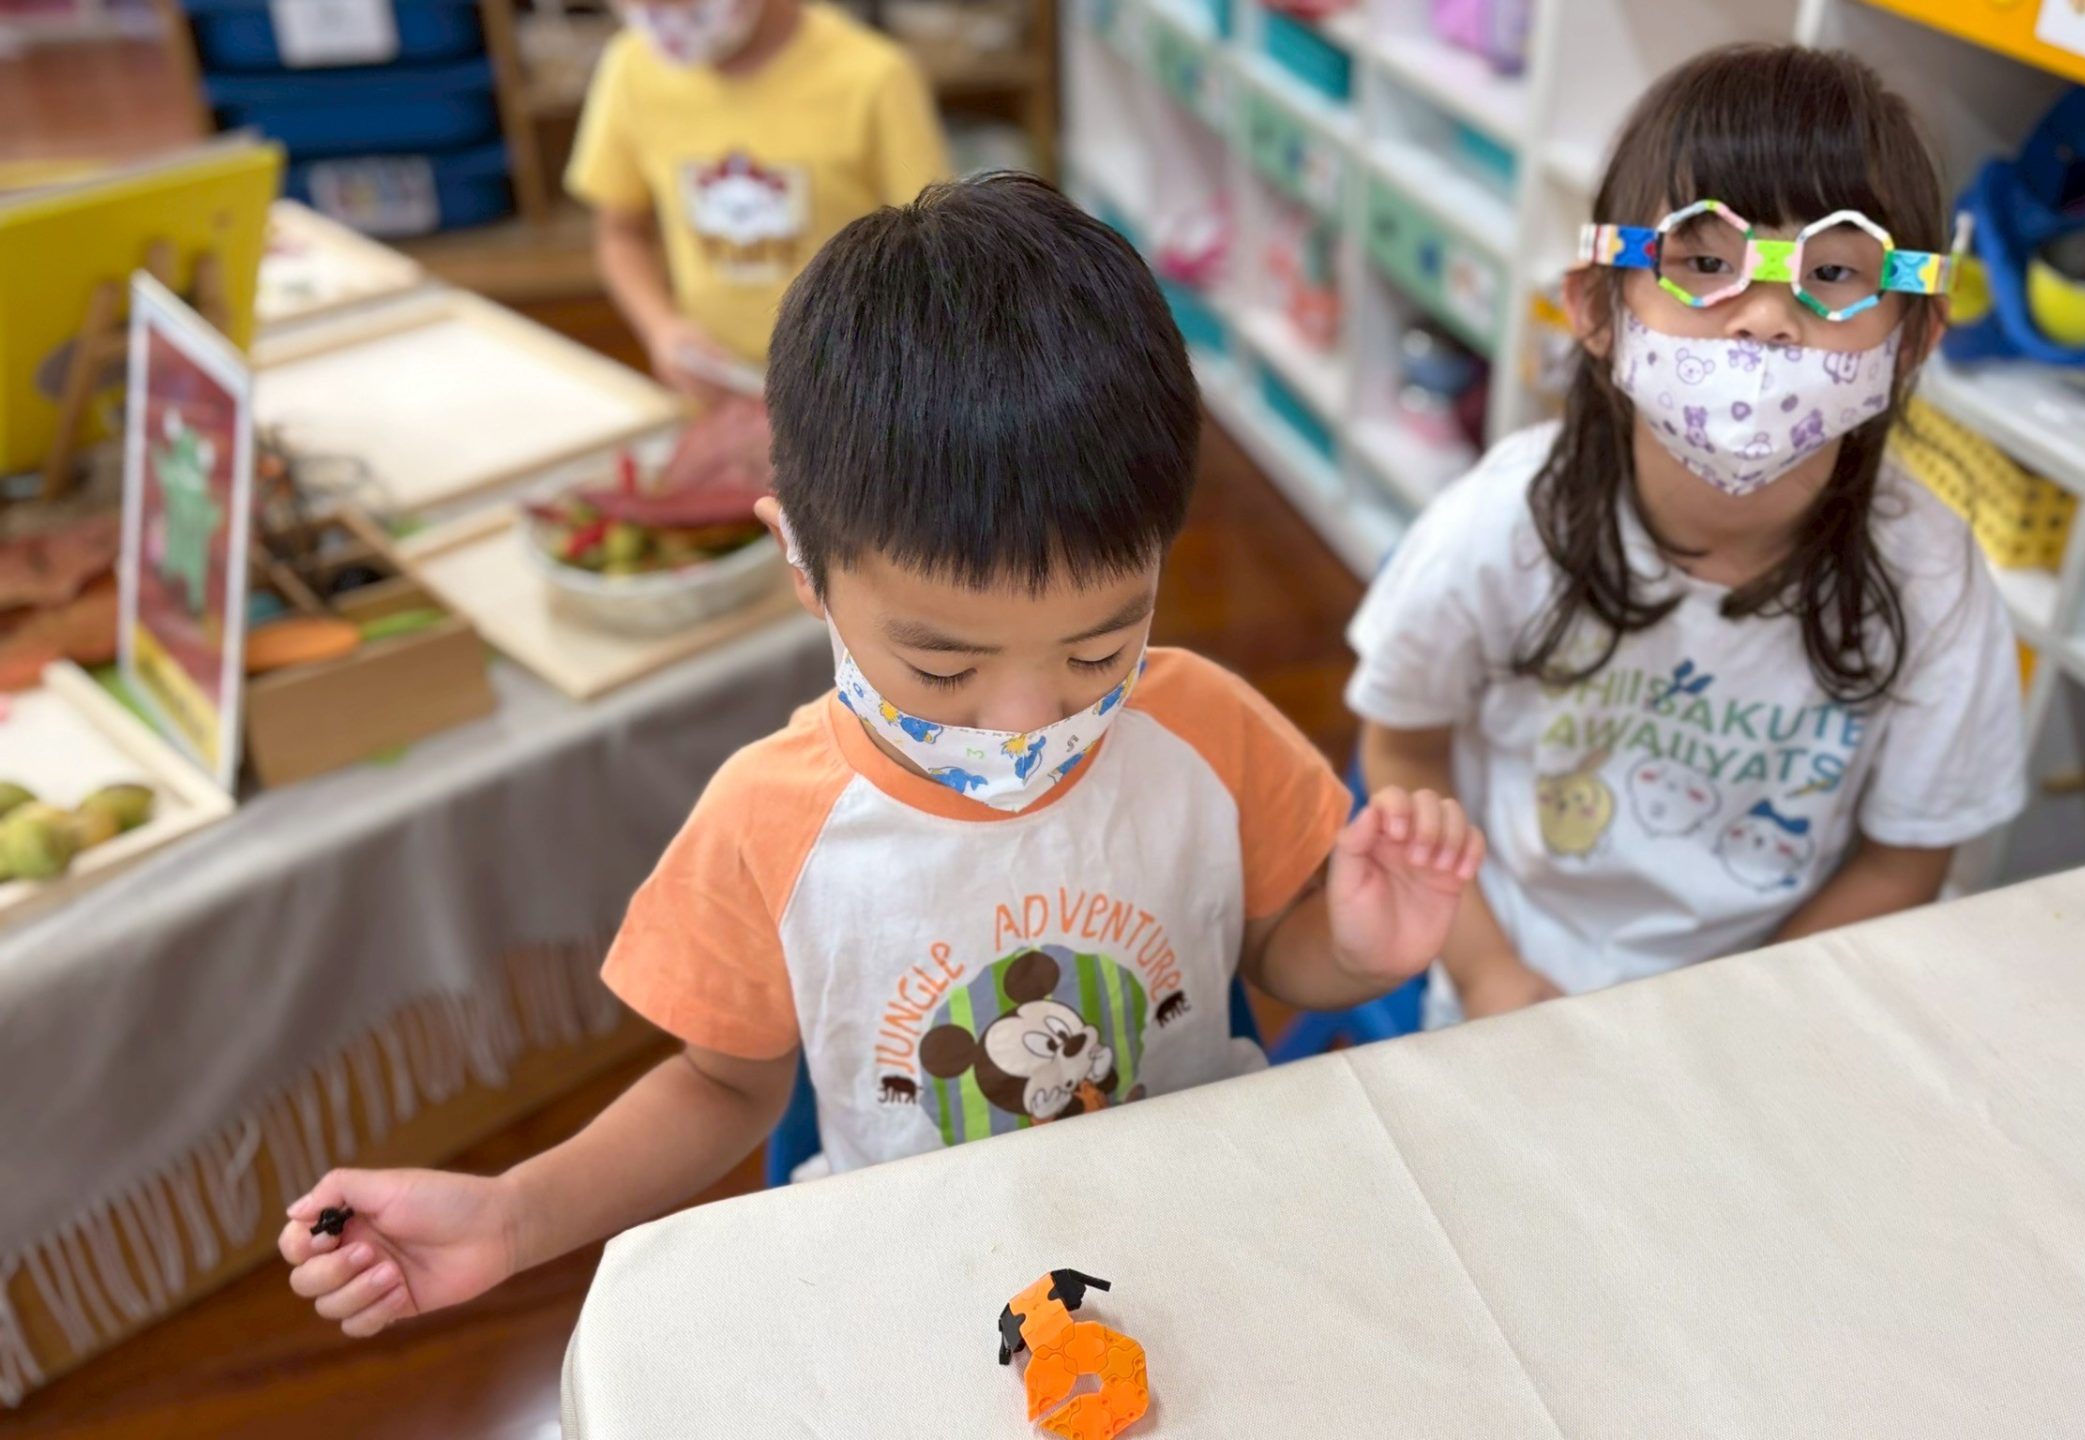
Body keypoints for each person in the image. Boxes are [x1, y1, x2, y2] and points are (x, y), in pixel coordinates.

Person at [276, 175, 1487, 1337]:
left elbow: (1268, 952)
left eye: (1098, 646)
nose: (1023, 717)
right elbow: (722, 1089)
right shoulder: (766, 823)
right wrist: (512, 1215)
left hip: (1195, 1232)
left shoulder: (1204, 729)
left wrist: (1354, 949)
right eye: (944, 667)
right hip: (918, 1275)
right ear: (801, 561)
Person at [1348, 46, 2027, 1028]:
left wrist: (1738, 1013)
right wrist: (1492, 974)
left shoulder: (1930, 583)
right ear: (1596, 306)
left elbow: (1904, 858)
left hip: (1765, 1002)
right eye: (1705, 262)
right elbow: (1405, 751)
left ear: (1913, 340)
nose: (1765, 319)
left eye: (1836, 273)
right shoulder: (1501, 524)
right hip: (1516, 974)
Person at [568, 0, 949, 402]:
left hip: (847, 390)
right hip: (715, 388)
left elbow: (933, 256)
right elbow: (621, 234)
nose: (666, 19)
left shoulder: (877, 75)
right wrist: (660, 326)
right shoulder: (629, 67)